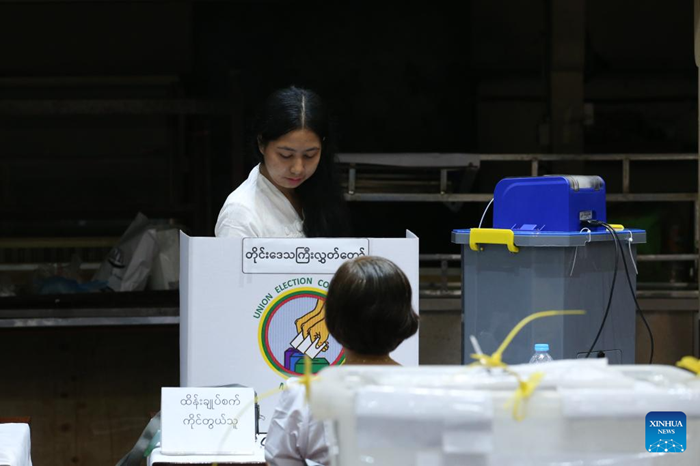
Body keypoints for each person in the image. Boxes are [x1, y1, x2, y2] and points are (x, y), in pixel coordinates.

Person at [264, 256, 419, 466]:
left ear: (332, 321)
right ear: (405, 320)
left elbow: (280, 460)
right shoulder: (425, 394)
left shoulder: (303, 397)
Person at [215, 86, 349, 238]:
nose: (297, 169)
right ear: (261, 143)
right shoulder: (240, 214)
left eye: (310, 155)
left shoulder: (320, 188)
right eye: (285, 155)